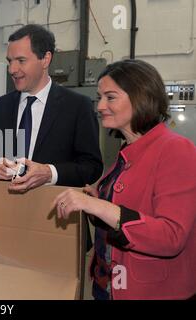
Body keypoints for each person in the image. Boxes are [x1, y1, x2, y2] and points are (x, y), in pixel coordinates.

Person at [52, 59, 196, 300]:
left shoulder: (177, 150)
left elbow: (171, 236)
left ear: (140, 97)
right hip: (109, 286)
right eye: (100, 98)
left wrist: (98, 205)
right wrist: (98, 201)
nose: (100, 106)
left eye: (110, 97)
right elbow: (126, 210)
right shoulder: (127, 151)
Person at [0, 24, 103, 192]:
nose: (12, 69)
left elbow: (92, 167)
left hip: (54, 210)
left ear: (45, 59)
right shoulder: (0, 106)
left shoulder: (77, 106)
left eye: (21, 61)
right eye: (10, 61)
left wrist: (49, 173)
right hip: (6, 207)